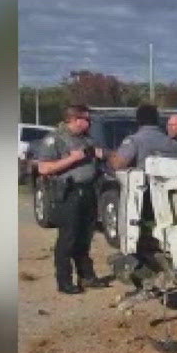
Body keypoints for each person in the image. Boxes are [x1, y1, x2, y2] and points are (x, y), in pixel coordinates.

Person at [33, 104, 106, 294]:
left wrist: (99, 156)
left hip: (88, 191)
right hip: (68, 193)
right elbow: (44, 168)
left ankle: (87, 276)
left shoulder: (86, 139)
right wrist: (73, 159)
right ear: (74, 120)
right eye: (86, 119)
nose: (89, 123)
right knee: (68, 238)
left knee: (85, 237)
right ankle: (64, 281)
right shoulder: (55, 139)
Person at [108, 103, 177, 172]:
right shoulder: (174, 144)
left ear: (138, 120)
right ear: (157, 120)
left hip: (141, 184)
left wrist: (107, 155)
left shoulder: (134, 141)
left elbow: (118, 165)